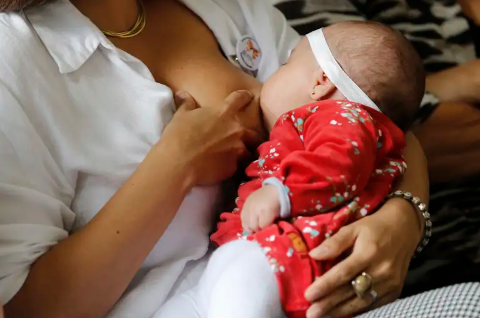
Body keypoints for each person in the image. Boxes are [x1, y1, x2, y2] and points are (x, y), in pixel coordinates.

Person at [0, 1, 428, 318]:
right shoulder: (13, 64)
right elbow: (31, 310)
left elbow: (367, 110)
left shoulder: (217, 3)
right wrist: (176, 164)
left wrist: (404, 219)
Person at [155, 21, 426, 318]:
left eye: (286, 63)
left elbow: (337, 167)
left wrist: (281, 192)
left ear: (321, 82)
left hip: (284, 256)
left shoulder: (343, 118)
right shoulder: (343, 124)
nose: (272, 73)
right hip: (249, 255)